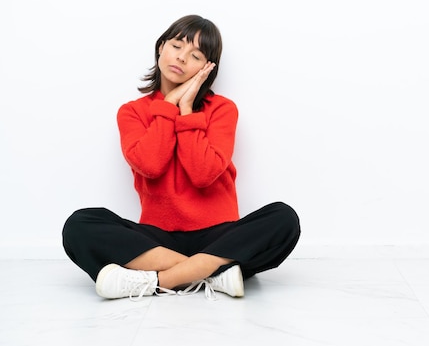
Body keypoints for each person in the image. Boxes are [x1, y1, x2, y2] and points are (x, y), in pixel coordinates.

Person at [62, 15, 301, 300]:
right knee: (79, 225)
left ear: (208, 68)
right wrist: (168, 106)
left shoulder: (223, 109)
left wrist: (186, 109)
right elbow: (151, 165)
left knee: (284, 218)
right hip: (156, 239)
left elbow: (203, 174)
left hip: (219, 235)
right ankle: (213, 272)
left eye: (196, 55)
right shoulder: (132, 112)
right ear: (161, 47)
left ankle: (156, 281)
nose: (182, 58)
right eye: (176, 46)